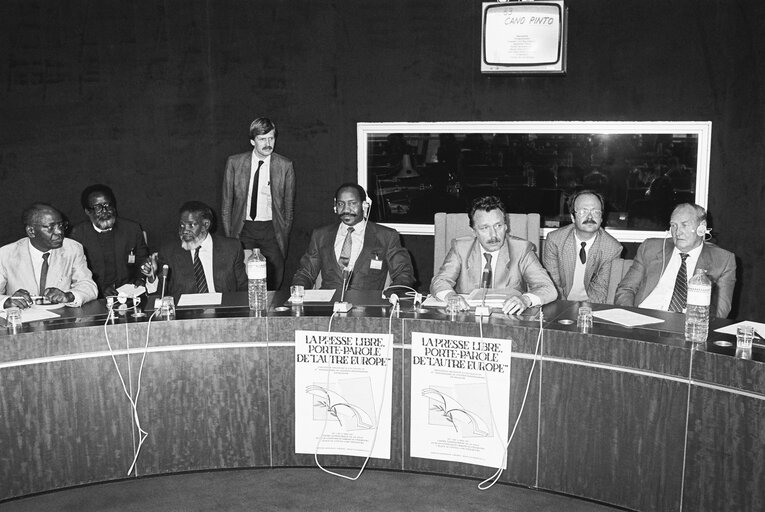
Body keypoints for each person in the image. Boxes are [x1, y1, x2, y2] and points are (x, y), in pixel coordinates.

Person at [431, 195, 557, 315]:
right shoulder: (461, 249)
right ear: (474, 231)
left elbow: (548, 288)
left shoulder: (521, 250)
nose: (493, 235)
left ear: (506, 226)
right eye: (485, 228)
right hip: (467, 319)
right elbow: (439, 281)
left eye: (498, 226)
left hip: (508, 321)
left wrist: (525, 300)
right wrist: (451, 297)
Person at [615, 203, 736, 318]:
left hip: (687, 327)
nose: (677, 232)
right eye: (673, 225)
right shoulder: (650, 248)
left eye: (684, 224)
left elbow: (719, 312)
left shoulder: (723, 261)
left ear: (702, 227)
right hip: (642, 320)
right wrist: (629, 317)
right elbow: (626, 289)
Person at [292, 183, 414, 292]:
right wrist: (297, 293)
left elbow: (404, 274)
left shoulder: (386, 236)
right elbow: (306, 273)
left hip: (367, 309)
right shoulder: (321, 235)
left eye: (352, 203)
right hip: (327, 308)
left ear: (364, 205)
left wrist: (390, 296)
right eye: (341, 204)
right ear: (335, 206)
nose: (346, 210)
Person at [221, 117, 295, 290]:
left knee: (273, 282)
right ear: (252, 141)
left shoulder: (285, 165)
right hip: (243, 229)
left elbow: (289, 209)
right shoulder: (235, 163)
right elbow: (226, 205)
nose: (268, 143)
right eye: (262, 139)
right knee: (243, 281)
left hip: (272, 231)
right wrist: (231, 238)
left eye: (271, 138)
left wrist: (283, 231)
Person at [0, 203, 97, 309]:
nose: (59, 232)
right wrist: (7, 301)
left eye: (61, 225)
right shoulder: (6, 254)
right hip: (22, 320)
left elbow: (88, 286)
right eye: (51, 228)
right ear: (31, 231)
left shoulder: (73, 249)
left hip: (61, 319)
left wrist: (68, 296)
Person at [142, 201, 247, 296]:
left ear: (206, 224)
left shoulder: (231, 248)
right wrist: (152, 277)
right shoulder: (169, 252)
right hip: (185, 314)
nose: (185, 231)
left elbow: (243, 288)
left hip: (224, 311)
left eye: (191, 225)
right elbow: (161, 294)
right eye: (182, 226)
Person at [543, 190, 623, 303]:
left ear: (601, 218)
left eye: (596, 212)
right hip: (560, 303)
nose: (590, 216)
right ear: (572, 217)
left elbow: (599, 293)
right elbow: (553, 285)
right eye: (583, 212)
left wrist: (583, 314)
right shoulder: (555, 240)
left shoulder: (612, 248)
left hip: (590, 307)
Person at [70, 184, 149, 298]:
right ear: (87, 211)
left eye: (108, 205)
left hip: (129, 294)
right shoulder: (76, 236)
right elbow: (74, 275)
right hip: (94, 297)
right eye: (98, 207)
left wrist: (140, 278)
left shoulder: (132, 229)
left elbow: (142, 260)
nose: (105, 211)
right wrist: (100, 289)